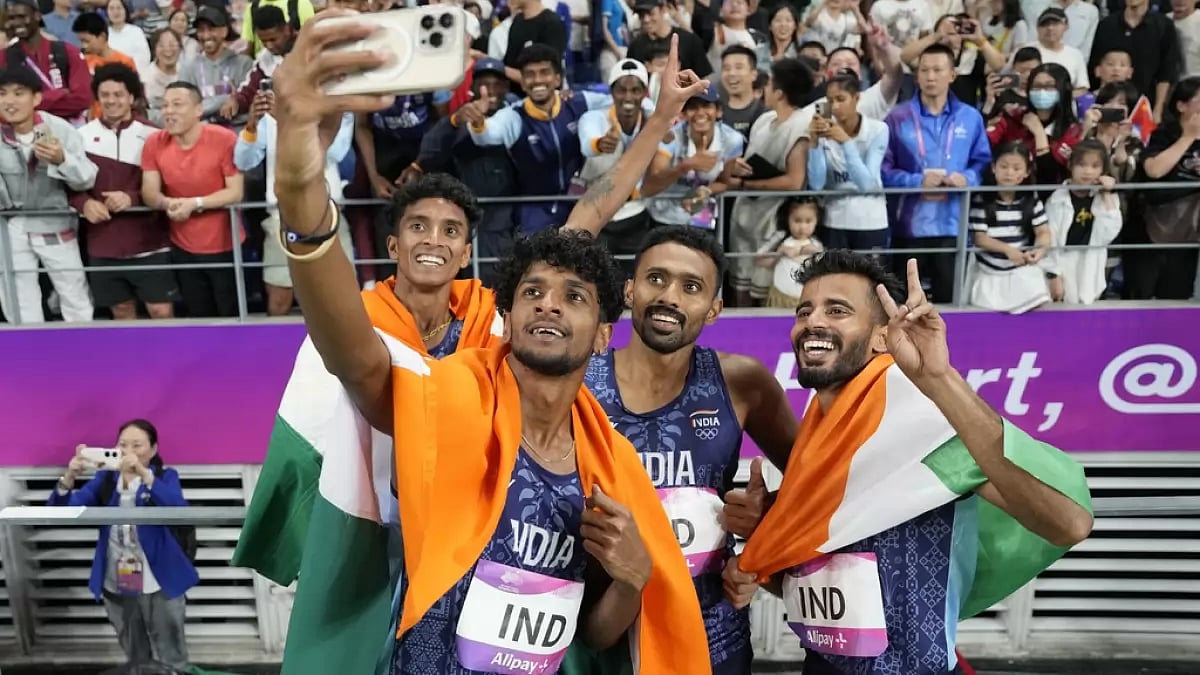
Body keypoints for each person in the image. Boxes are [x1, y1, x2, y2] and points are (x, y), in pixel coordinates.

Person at [243, 13, 714, 673]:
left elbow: (594, 634)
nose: (549, 303)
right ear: (508, 318)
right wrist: (299, 178)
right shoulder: (440, 403)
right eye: (534, 292)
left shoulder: (608, 464)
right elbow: (351, 353)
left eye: (574, 297)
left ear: (604, 333)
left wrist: (634, 579)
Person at [722, 251, 1093, 675]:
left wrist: (939, 379)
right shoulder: (813, 436)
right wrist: (763, 538)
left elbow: (1068, 524)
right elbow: (809, 584)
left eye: (837, 310)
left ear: (882, 337)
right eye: (804, 311)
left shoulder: (922, 422)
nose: (812, 322)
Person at [583, 225, 798, 675]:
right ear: (629, 290)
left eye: (692, 287)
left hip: (712, 640)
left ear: (714, 308)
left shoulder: (742, 381)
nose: (670, 297)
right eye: (656, 279)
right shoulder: (580, 384)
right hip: (605, 638)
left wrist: (762, 539)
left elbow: (813, 485)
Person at [48, 419, 198, 673]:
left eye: (137, 445)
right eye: (123, 444)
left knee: (172, 651)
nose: (128, 450)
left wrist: (144, 474)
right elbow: (61, 511)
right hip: (116, 578)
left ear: (153, 449)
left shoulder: (165, 477)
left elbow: (178, 510)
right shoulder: (106, 479)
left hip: (160, 578)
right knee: (134, 652)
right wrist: (70, 476)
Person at [0, 66, 97, 324]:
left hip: (54, 222)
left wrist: (62, 159)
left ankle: (83, 343)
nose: (9, 101)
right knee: (17, 296)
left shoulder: (57, 129)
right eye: (2, 94)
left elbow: (87, 178)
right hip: (10, 226)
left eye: (18, 93)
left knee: (73, 292)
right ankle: (26, 345)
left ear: (36, 98)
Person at [967, 141, 1051, 314]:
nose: (1009, 173)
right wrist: (1008, 250)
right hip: (989, 272)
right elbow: (980, 238)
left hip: (1020, 269)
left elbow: (1043, 231)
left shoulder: (1032, 200)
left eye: (1016, 168)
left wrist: (1039, 250)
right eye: (1004, 166)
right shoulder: (982, 200)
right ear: (993, 168)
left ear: (1026, 172)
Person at [0, 0, 93, 123]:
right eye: (12, 18)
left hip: (66, 129)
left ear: (37, 16)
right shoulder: (4, 57)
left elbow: (83, 99)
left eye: (22, 16)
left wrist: (25, 103)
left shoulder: (68, 52)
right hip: (20, 131)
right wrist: (58, 94)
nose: (17, 23)